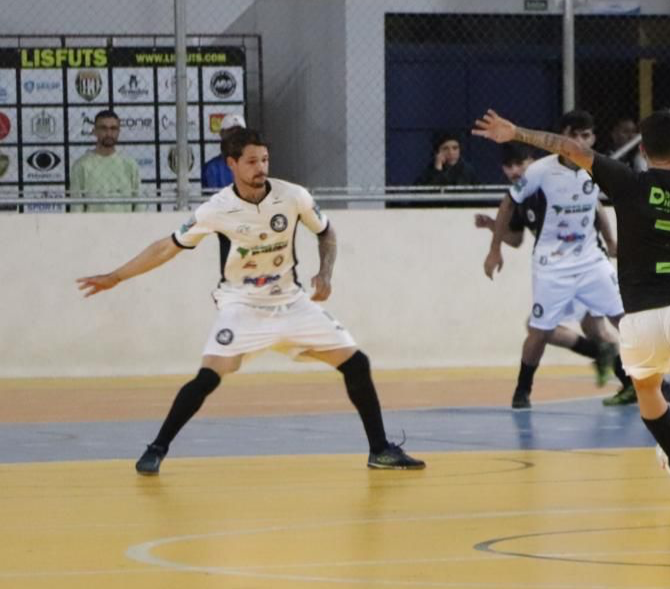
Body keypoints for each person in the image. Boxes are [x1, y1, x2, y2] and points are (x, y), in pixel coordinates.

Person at [75, 126, 425, 474]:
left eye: (265, 160)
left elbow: (326, 231)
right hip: (241, 305)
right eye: (253, 161)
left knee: (356, 363)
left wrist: (326, 273)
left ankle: (380, 450)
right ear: (232, 164)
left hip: (290, 301)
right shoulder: (218, 208)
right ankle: (157, 448)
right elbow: (167, 246)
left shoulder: (292, 196)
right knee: (208, 377)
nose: (261, 168)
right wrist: (116, 277)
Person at [474, 108, 670, 485]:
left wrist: (516, 131)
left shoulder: (628, 182)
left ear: (643, 149)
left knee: (645, 386)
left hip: (642, 315)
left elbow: (567, 147)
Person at [482, 111, 630, 409]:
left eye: (586, 135)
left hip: (591, 260)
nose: (580, 141)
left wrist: (612, 242)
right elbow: (508, 204)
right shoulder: (539, 172)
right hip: (552, 265)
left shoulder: (597, 166)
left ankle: (651, 380)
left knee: (625, 321)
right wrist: (494, 248)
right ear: (562, 137)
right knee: (539, 330)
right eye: (574, 135)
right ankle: (523, 389)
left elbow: (597, 205)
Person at [68, 109, 145, 212]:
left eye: (113, 128)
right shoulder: (81, 165)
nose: (109, 133)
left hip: (126, 226)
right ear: (95, 131)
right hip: (92, 227)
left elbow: (139, 204)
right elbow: (76, 207)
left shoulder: (130, 164)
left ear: (119, 131)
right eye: (103, 128)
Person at [200, 114, 246, 191]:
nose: (235, 136)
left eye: (240, 132)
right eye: (231, 132)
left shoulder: (253, 164)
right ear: (222, 134)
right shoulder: (212, 168)